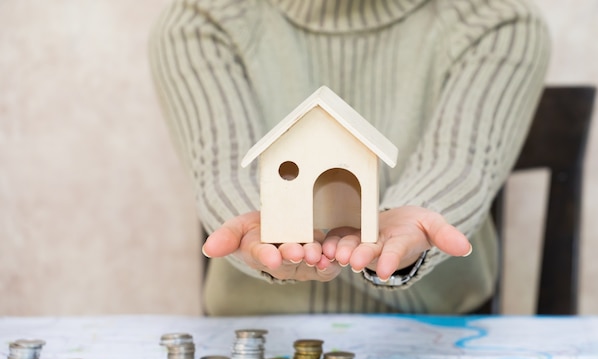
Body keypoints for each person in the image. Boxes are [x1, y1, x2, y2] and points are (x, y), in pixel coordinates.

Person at [149, 0, 550, 315]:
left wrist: (415, 215)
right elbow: (227, 168)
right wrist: (271, 226)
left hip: (437, 332)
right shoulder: (200, 21)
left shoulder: (498, 22)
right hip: (258, 334)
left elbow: (461, 163)